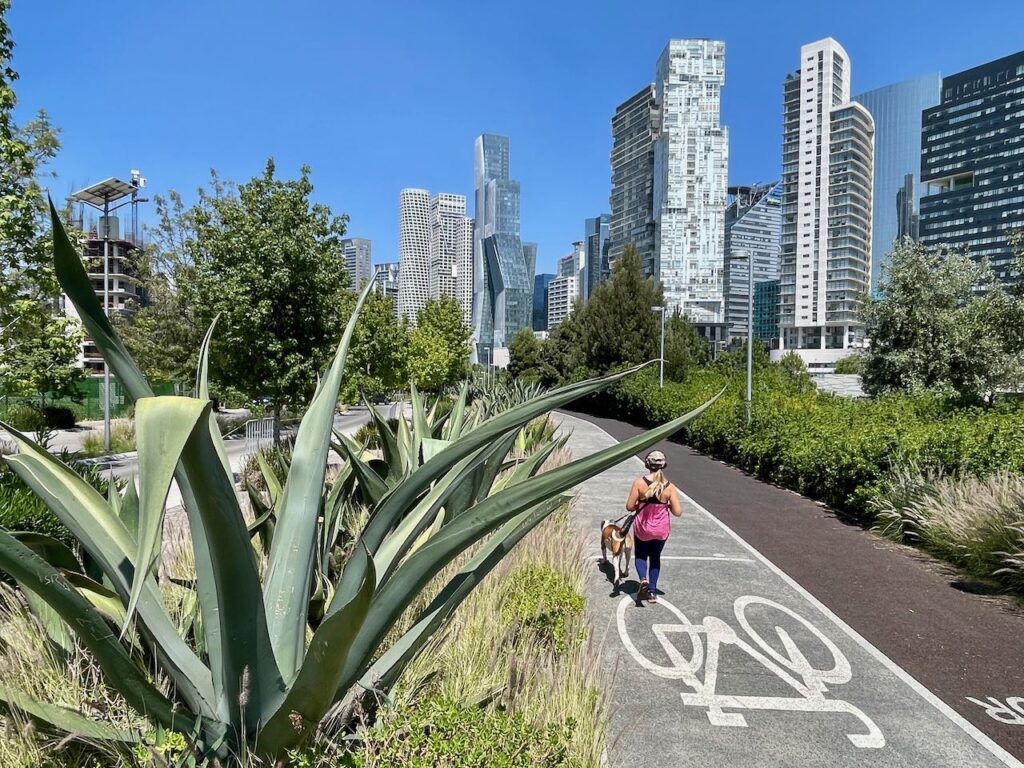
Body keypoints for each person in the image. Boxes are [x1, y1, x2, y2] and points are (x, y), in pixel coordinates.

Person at [625, 450, 683, 603]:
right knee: (655, 557)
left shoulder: (639, 483)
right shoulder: (670, 487)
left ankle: (643, 579)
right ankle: (651, 591)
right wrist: (667, 506)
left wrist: (640, 504)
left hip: (642, 528)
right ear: (664, 465)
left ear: (647, 464)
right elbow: (678, 512)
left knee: (641, 555)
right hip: (661, 529)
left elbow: (629, 506)